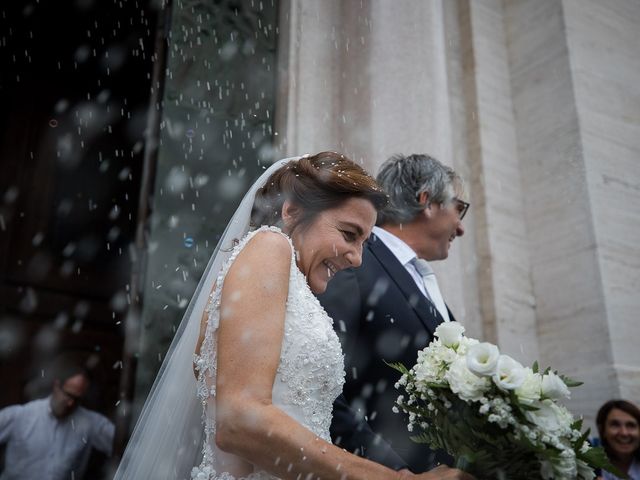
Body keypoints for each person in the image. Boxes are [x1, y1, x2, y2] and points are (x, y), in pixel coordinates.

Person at [114, 152, 474, 479]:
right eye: (349, 234)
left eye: (363, 242)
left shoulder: (289, 287)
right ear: (291, 211)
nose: (357, 258)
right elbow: (239, 422)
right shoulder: (269, 247)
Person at [318, 153, 468, 472]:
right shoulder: (354, 263)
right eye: (460, 208)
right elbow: (322, 386)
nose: (461, 228)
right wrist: (395, 474)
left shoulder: (427, 284)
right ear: (427, 201)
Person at [0, 364, 115, 480]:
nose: (70, 403)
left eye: (77, 399)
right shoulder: (21, 415)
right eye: (68, 395)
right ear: (56, 385)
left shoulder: (90, 423)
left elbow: (124, 449)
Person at [596, 399, 640, 480]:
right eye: (615, 425)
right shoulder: (585, 466)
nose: (624, 433)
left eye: (631, 425)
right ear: (603, 430)